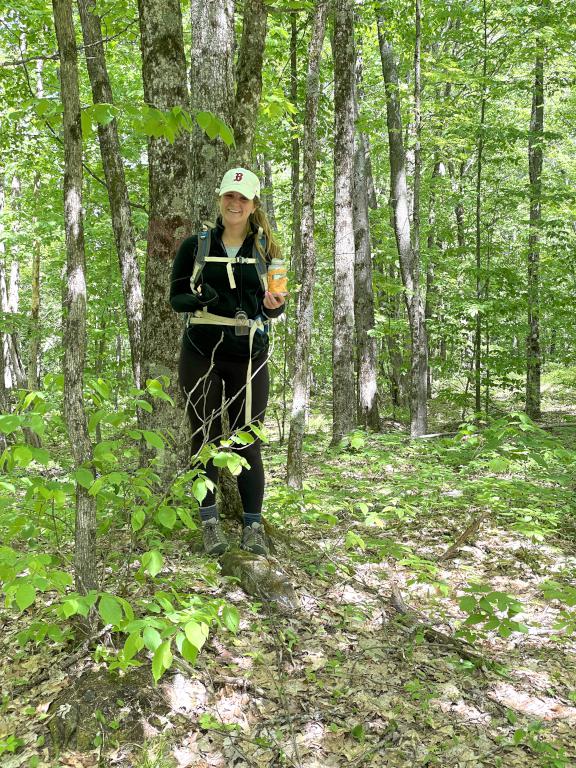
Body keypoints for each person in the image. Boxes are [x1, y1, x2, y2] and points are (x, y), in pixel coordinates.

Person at [170, 168, 286, 557]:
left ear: (254, 206)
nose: (235, 204)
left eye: (243, 198)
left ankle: (253, 525)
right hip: (200, 350)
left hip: (248, 355)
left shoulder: (269, 248)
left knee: (247, 440)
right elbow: (176, 299)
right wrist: (201, 300)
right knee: (203, 437)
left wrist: (274, 305)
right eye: (229, 196)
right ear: (220, 199)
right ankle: (209, 523)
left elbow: (275, 306)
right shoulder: (195, 245)